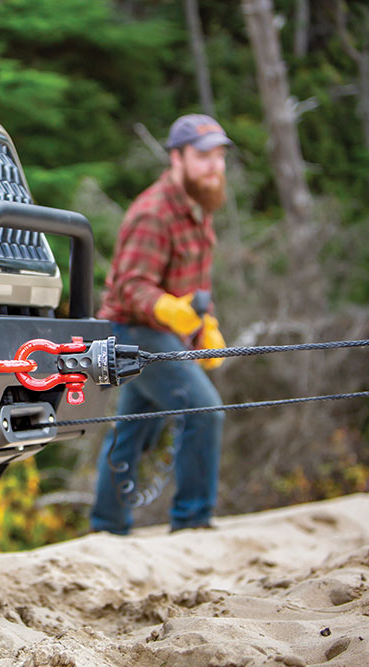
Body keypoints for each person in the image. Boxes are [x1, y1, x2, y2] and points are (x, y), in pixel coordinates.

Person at [90, 113, 231, 535]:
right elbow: (131, 287)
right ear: (177, 157)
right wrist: (170, 311)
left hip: (162, 333)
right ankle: (193, 522)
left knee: (133, 430)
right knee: (206, 412)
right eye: (203, 156)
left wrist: (202, 324)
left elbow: (193, 285)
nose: (214, 166)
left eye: (219, 156)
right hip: (130, 332)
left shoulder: (198, 205)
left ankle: (107, 527)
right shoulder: (154, 212)